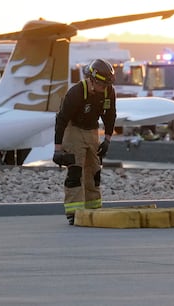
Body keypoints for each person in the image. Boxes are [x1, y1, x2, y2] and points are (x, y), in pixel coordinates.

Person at [54, 58, 117, 225]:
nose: (104, 89)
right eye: (102, 85)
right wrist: (58, 149)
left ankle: (93, 209)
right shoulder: (76, 92)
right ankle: (74, 213)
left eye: (107, 86)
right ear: (92, 79)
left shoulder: (108, 91)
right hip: (73, 129)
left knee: (94, 171)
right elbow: (61, 120)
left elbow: (110, 115)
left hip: (92, 131)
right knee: (76, 171)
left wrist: (108, 139)